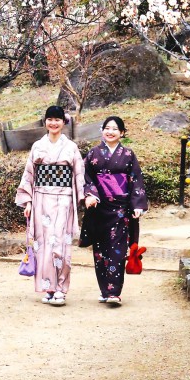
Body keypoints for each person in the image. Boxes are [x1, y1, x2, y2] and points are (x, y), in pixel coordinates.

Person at [15, 105, 85, 306]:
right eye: (50, 119)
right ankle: (49, 287)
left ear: (64, 122)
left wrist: (83, 197)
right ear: (45, 122)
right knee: (43, 244)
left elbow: (79, 174)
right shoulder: (38, 146)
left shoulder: (71, 147)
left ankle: (61, 289)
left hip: (63, 198)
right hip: (41, 198)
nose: (53, 123)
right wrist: (27, 201)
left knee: (61, 243)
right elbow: (29, 174)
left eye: (57, 119)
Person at [82, 116, 148, 305]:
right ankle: (104, 290)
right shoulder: (93, 153)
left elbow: (136, 179)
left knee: (117, 251)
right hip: (99, 208)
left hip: (121, 210)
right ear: (102, 130)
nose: (110, 132)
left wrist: (137, 205)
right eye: (107, 128)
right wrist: (90, 194)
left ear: (122, 133)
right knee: (100, 251)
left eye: (115, 129)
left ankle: (114, 292)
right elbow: (86, 177)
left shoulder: (128, 155)